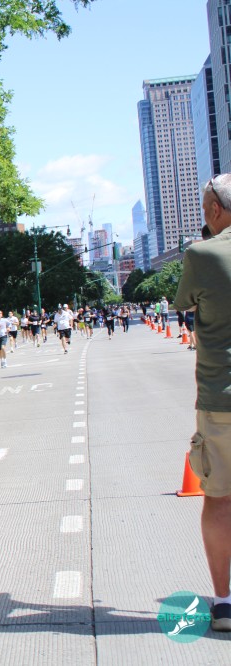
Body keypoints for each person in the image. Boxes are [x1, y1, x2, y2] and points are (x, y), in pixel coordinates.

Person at [173, 173, 231, 631]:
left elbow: (185, 301)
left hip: (221, 398)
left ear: (214, 210)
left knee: (220, 499)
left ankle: (225, 602)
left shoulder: (202, 253)